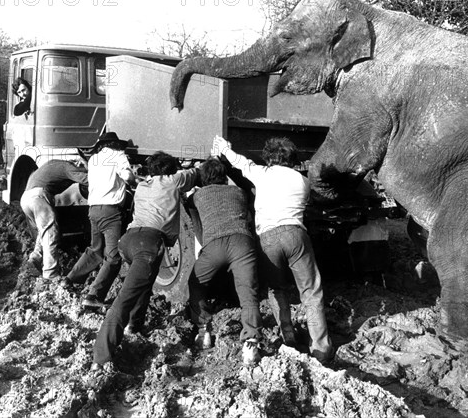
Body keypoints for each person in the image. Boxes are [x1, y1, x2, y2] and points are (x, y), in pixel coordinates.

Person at [212, 135, 334, 363]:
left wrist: (224, 148)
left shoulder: (262, 173)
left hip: (267, 238)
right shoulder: (302, 180)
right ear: (292, 159)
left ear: (269, 156)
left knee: (276, 290)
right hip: (296, 235)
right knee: (311, 292)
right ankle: (321, 348)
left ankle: (288, 336)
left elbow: (240, 162)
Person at [91, 151, 199, 370]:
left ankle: (135, 325)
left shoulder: (142, 186)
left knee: (143, 284)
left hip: (129, 241)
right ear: (171, 170)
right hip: (148, 244)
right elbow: (195, 173)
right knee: (125, 298)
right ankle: (100, 359)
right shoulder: (173, 180)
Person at [187, 157, 263, 366]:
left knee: (196, 283)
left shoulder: (196, 197)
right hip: (242, 243)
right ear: (223, 176)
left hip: (214, 246)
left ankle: (204, 333)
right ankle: (250, 343)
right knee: (248, 292)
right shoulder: (238, 192)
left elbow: (197, 226)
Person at [64, 132, 135, 309]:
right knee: (113, 258)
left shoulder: (94, 159)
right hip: (110, 212)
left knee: (95, 249)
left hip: (93, 210)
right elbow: (127, 177)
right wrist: (135, 181)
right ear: (115, 144)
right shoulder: (118, 156)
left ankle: (69, 279)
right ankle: (93, 296)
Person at [20, 159, 88, 281]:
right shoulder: (67, 167)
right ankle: (50, 273)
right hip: (38, 197)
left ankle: (35, 258)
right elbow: (86, 179)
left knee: (44, 231)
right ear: (78, 163)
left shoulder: (52, 164)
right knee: (51, 233)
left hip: (26, 199)